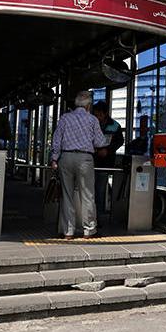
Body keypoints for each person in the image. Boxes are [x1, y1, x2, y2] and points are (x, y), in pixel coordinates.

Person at [50, 91, 107, 239]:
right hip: (85, 159)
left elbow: (56, 140)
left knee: (67, 195)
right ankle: (89, 230)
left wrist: (54, 159)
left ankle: (68, 231)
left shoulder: (64, 118)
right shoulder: (93, 120)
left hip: (66, 157)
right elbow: (100, 142)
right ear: (88, 105)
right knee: (88, 195)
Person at [92, 101, 123, 217]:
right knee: (89, 191)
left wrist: (108, 150)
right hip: (91, 161)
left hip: (105, 163)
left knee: (100, 190)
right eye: (95, 114)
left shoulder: (115, 126)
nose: (97, 117)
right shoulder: (91, 124)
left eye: (99, 114)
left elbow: (119, 141)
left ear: (105, 113)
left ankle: (98, 216)